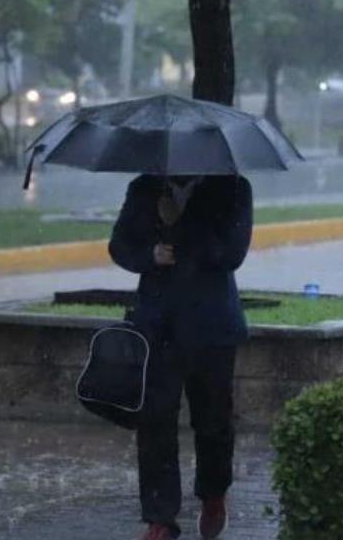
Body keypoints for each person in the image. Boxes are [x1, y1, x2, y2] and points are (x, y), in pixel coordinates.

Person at [108, 173, 253, 540]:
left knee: (213, 419)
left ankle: (214, 493)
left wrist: (180, 225)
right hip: (158, 327)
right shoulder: (144, 187)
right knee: (155, 421)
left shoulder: (233, 188)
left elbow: (232, 254)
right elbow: (120, 246)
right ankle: (161, 517)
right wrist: (150, 254)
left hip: (212, 327)